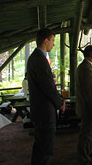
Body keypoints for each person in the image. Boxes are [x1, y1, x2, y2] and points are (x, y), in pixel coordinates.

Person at [27, 28, 65, 165]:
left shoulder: (36, 58)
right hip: (44, 112)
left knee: (40, 148)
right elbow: (48, 87)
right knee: (45, 149)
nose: (53, 44)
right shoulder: (39, 59)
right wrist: (60, 102)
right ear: (45, 40)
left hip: (41, 111)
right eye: (52, 40)